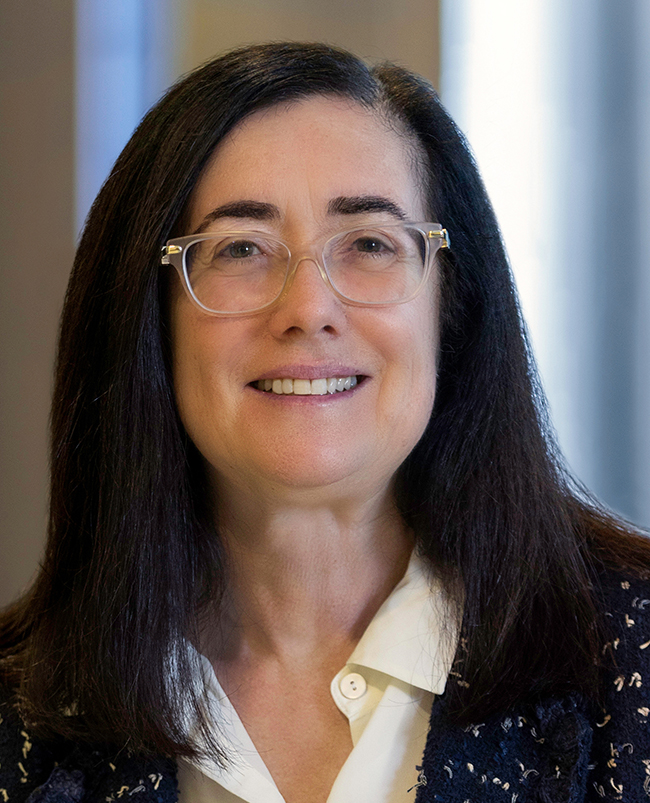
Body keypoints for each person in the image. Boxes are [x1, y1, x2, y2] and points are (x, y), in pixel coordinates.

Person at [1, 41, 649, 803]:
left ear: (453, 304)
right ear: (148, 318)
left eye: (370, 243)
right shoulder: (20, 711)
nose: (308, 310)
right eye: (240, 248)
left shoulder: (633, 654)